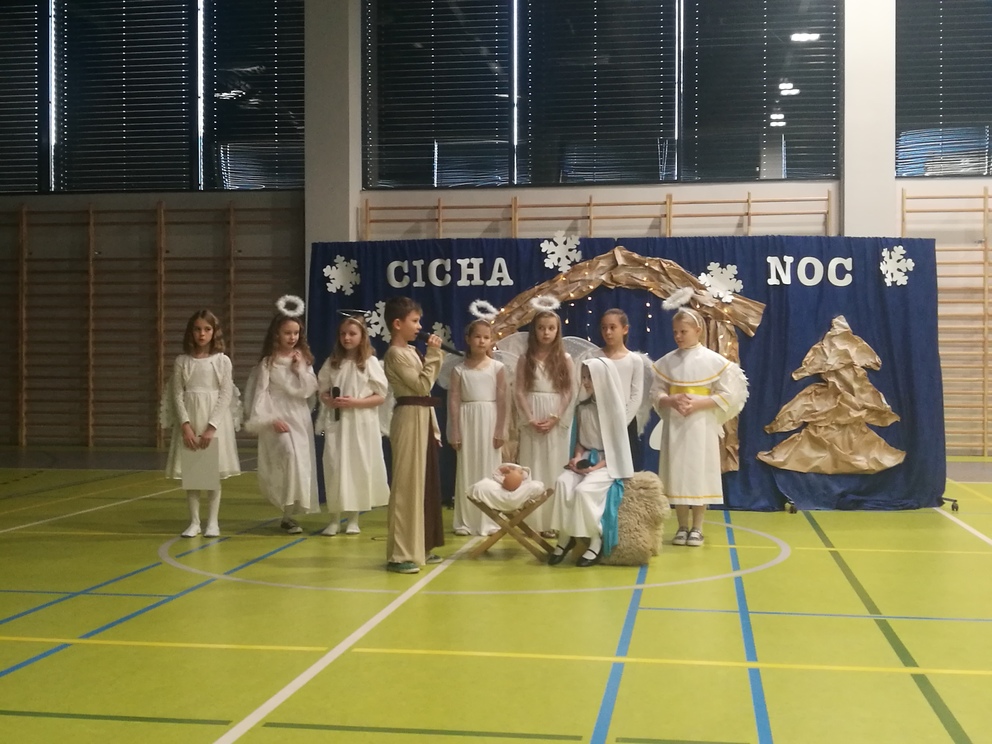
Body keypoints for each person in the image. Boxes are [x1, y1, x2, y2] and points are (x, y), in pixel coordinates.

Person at [650, 307, 748, 547]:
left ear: (698, 330)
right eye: (675, 332)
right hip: (676, 424)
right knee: (678, 473)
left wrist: (700, 403)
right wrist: (671, 400)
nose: (678, 336)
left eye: (683, 331)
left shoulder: (714, 361)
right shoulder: (667, 362)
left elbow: (728, 394)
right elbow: (656, 392)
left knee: (699, 472)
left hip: (701, 424)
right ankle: (682, 526)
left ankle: (697, 527)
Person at [161, 310, 241, 538]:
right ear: (191, 332)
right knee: (194, 473)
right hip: (191, 418)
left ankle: (213, 522)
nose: (202, 334)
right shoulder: (182, 361)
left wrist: (212, 426)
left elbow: (225, 394)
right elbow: (177, 394)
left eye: (207, 329)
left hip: (213, 421)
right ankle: (194, 522)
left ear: (214, 332)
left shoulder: (222, 361)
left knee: (211, 474)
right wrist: (185, 425)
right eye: (197, 329)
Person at [548, 358, 634, 567]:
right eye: (584, 377)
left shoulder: (614, 411)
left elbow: (617, 449)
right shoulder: (582, 408)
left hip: (607, 464)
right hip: (587, 458)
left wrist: (595, 467)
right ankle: (565, 536)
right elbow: (580, 441)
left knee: (583, 491)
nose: (586, 382)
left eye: (590, 377)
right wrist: (577, 458)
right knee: (562, 483)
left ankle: (596, 540)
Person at [244, 296, 319, 534]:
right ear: (277, 333)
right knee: (287, 454)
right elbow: (260, 393)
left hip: (298, 415)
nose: (292, 337)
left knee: (299, 461)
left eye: (296, 333)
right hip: (277, 414)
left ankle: (289, 516)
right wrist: (270, 419)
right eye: (288, 333)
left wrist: (299, 370)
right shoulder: (268, 363)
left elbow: (309, 390)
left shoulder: (302, 359)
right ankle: (283, 503)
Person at [382, 296, 445, 574]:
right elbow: (421, 386)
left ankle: (421, 544)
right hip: (408, 418)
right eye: (415, 321)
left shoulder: (410, 351)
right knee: (407, 485)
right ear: (397, 324)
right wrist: (434, 355)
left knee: (423, 483)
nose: (420, 326)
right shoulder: (395, 354)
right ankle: (401, 553)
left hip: (422, 417)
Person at [315, 315, 389, 536]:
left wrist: (355, 402)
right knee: (335, 466)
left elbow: (380, 396)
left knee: (357, 467)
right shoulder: (333, 362)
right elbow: (322, 390)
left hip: (360, 423)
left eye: (352, 334)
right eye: (343, 334)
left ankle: (353, 519)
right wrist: (328, 400)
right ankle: (334, 519)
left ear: (362, 336)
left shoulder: (369, 363)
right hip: (338, 423)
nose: (347, 338)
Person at [515, 308, 575, 537]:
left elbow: (568, 391)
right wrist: (530, 418)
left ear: (557, 331)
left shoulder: (565, 359)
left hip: (554, 415)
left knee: (554, 465)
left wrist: (556, 417)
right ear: (534, 330)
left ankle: (553, 522)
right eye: (541, 328)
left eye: (551, 328)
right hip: (533, 414)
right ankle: (533, 521)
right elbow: (519, 391)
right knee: (533, 464)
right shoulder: (525, 359)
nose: (546, 333)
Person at [447, 319, 507, 536]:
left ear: (491, 341)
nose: (482, 341)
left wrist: (501, 429)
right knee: (467, 467)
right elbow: (454, 400)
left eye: (486, 337)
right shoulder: (458, 370)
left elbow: (502, 400)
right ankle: (466, 521)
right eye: (477, 336)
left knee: (489, 467)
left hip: (489, 418)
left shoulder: (497, 368)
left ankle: (490, 520)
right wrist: (455, 429)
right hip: (467, 419)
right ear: (468, 339)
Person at [596, 308, 645, 468]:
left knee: (625, 468)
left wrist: (621, 423)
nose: (608, 332)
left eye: (612, 327)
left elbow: (636, 396)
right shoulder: (594, 357)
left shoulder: (635, 360)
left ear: (625, 329)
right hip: (598, 420)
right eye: (604, 328)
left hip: (625, 422)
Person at [469, 463, 546, 512]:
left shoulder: (518, 481)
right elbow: (497, 477)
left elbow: (497, 476)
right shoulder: (507, 481)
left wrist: (503, 471)